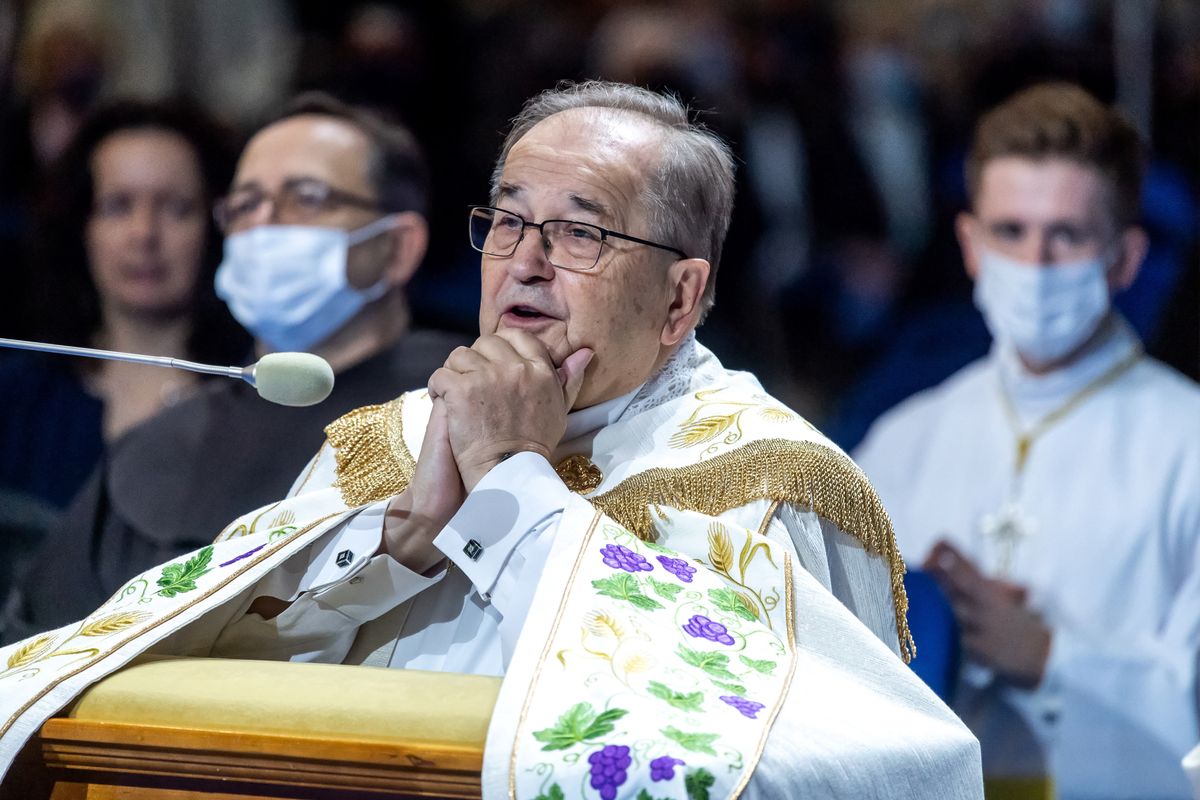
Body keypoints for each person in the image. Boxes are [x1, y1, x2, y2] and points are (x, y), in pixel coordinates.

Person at [0, 81, 981, 798]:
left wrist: (515, 485)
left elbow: (811, 766)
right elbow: (222, 671)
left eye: (582, 233)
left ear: (680, 296)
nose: (528, 262)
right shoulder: (385, 443)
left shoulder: (770, 484)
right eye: (508, 223)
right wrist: (398, 542)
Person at [1, 93, 468, 643]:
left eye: (306, 198)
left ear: (396, 247)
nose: (264, 226)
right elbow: (36, 649)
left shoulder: (461, 406)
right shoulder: (160, 442)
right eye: (246, 205)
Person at [854, 83, 1200, 798]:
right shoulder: (903, 439)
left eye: (1068, 235)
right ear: (970, 244)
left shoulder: (1185, 440)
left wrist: (1050, 658)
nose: (1036, 264)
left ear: (1125, 258)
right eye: (1011, 231)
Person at [0, 99, 246, 512]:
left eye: (175, 207)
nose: (144, 234)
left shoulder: (255, 399)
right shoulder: (16, 397)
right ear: (80, 227)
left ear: (217, 225)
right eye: (117, 206)